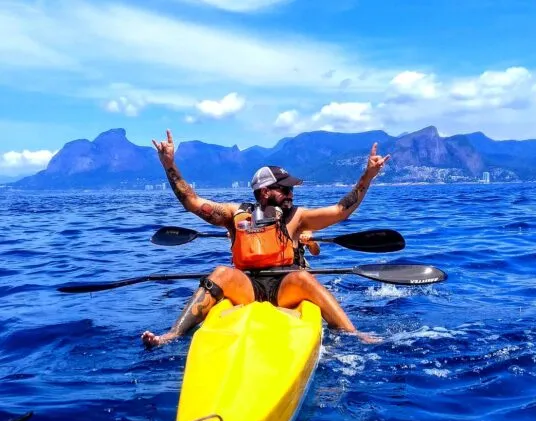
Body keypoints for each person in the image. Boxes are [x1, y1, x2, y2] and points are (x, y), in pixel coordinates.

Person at [141, 129, 390, 348]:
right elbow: (192, 202)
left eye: (291, 189)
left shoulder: (298, 217)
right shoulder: (234, 214)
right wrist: (169, 165)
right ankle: (173, 335)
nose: (290, 193)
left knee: (304, 277)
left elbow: (341, 210)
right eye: (284, 189)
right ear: (264, 191)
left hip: (285, 287)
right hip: (247, 287)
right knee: (219, 273)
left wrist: (367, 177)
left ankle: (353, 333)